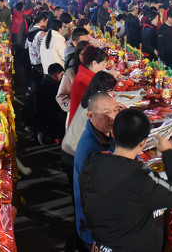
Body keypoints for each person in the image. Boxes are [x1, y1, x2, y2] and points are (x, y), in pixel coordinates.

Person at [80, 108, 172, 251]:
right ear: (143, 143)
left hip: (103, 244)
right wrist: (169, 152)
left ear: (112, 133)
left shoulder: (92, 162)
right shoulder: (141, 181)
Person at [73, 91, 123, 248]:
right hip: (96, 232)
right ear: (90, 116)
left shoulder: (102, 134)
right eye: (106, 113)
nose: (112, 117)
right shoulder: (91, 150)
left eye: (115, 111)